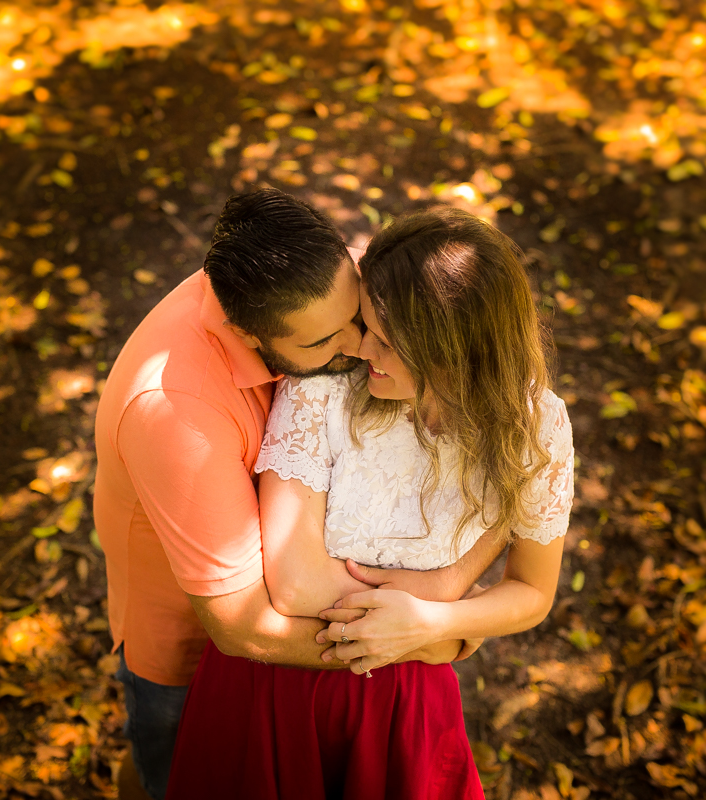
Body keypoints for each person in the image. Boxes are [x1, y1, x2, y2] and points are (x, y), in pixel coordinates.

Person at [92, 191, 505, 800]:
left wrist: (443, 596)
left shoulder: (340, 285)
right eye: (321, 345)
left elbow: (511, 424)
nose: (360, 348)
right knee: (169, 770)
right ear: (248, 334)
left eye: (358, 321)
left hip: (322, 603)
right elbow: (241, 626)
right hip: (194, 640)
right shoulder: (175, 412)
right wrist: (423, 640)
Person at [164, 206, 575, 799]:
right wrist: (441, 625)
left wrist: (437, 623)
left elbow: (534, 592)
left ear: (452, 352)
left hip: (405, 697)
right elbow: (297, 585)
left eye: (386, 341)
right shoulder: (326, 387)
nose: (359, 350)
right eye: (366, 324)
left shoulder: (536, 429)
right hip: (275, 683)